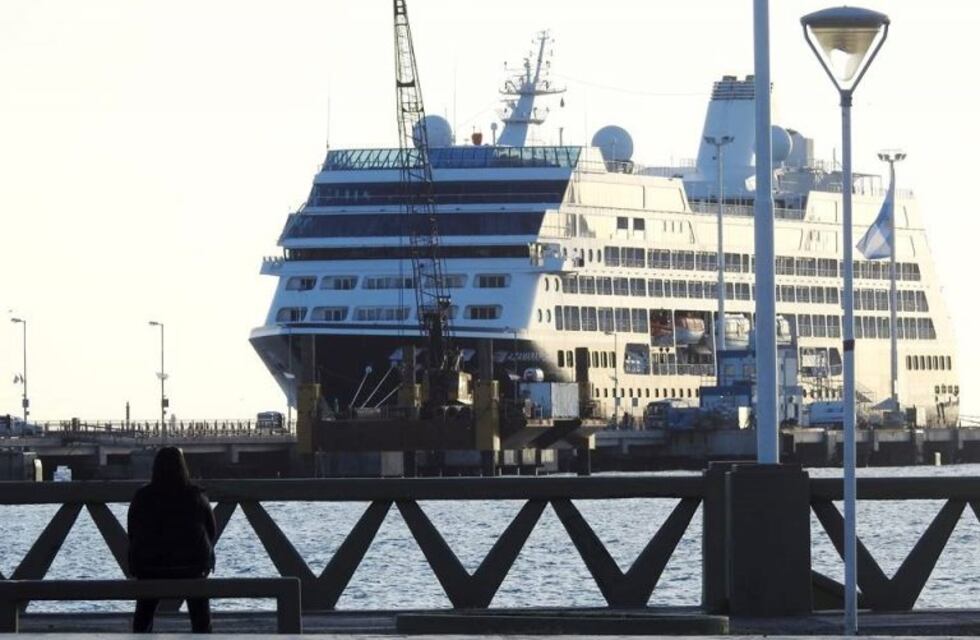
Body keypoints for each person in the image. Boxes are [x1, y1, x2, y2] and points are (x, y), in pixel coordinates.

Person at [127, 447, 217, 633]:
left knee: (144, 612)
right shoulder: (197, 496)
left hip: (150, 568)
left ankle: (141, 633)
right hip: (192, 568)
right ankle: (203, 633)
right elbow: (211, 531)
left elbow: (133, 531)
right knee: (200, 613)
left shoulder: (143, 496)